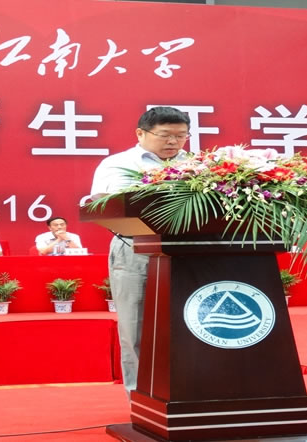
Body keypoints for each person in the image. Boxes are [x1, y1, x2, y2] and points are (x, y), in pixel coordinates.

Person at [88, 106, 190, 396]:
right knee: (135, 325)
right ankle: (140, 395)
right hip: (134, 248)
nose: (173, 142)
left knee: (188, 321)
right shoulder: (118, 164)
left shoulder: (196, 165)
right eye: (165, 135)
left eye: (181, 136)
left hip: (188, 252)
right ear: (141, 133)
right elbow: (109, 204)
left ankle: (187, 390)